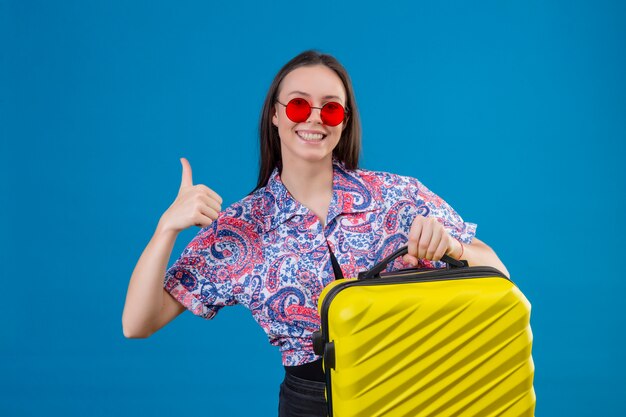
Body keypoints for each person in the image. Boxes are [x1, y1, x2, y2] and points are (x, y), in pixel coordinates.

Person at [122, 50, 510, 417]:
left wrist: (452, 246)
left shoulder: (399, 195)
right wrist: (165, 229)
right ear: (275, 115)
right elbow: (138, 323)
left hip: (412, 388)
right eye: (298, 105)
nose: (314, 119)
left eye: (331, 107)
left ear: (345, 119)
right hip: (311, 403)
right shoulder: (242, 228)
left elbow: (499, 273)